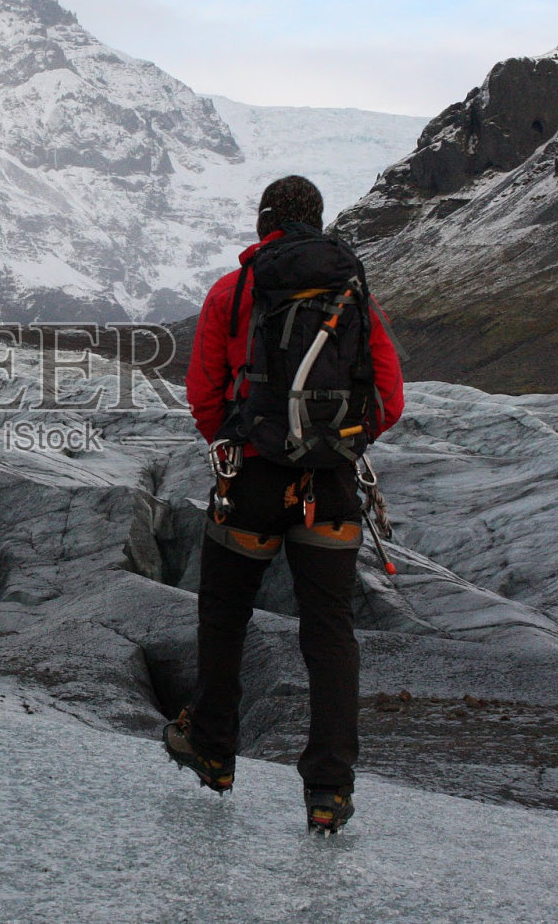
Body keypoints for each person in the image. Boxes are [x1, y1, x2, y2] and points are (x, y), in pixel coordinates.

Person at [164, 174, 405, 834]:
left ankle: (213, 749)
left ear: (264, 221)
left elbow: (204, 390)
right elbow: (389, 395)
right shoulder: (352, 292)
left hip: (252, 480)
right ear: (317, 220)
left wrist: (236, 443)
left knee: (225, 614)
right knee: (329, 632)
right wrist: (337, 445)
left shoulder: (234, 290)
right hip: (331, 486)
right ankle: (328, 789)